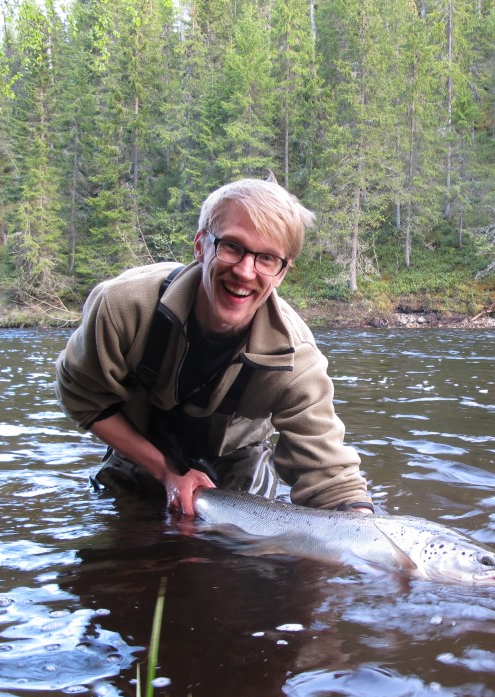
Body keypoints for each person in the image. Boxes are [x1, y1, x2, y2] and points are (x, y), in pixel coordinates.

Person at [55, 178, 373, 517]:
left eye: (266, 258)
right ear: (200, 246)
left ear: (282, 272)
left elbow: (330, 477)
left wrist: (375, 545)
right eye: (232, 247)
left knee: (242, 557)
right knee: (127, 538)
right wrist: (167, 473)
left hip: (238, 460)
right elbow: (83, 398)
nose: (245, 272)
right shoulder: (125, 305)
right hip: (142, 446)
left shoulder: (296, 359)